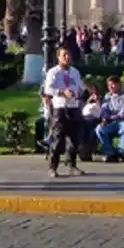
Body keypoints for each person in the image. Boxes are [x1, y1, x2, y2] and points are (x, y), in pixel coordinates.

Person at [41, 47, 85, 178]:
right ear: (58, 57)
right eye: (64, 55)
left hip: (73, 107)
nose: (67, 57)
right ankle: (53, 167)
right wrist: (62, 92)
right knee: (58, 138)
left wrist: (80, 93)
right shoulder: (53, 72)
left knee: (74, 139)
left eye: (68, 55)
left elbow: (79, 88)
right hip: (60, 107)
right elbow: (48, 89)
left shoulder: (75, 72)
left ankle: (72, 165)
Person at [95, 76, 124, 162]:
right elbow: (104, 109)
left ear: (119, 84)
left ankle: (121, 152)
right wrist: (104, 118)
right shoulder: (107, 96)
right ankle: (110, 153)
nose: (110, 87)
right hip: (110, 123)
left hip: (123, 121)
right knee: (99, 129)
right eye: (109, 85)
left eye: (113, 84)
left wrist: (113, 117)